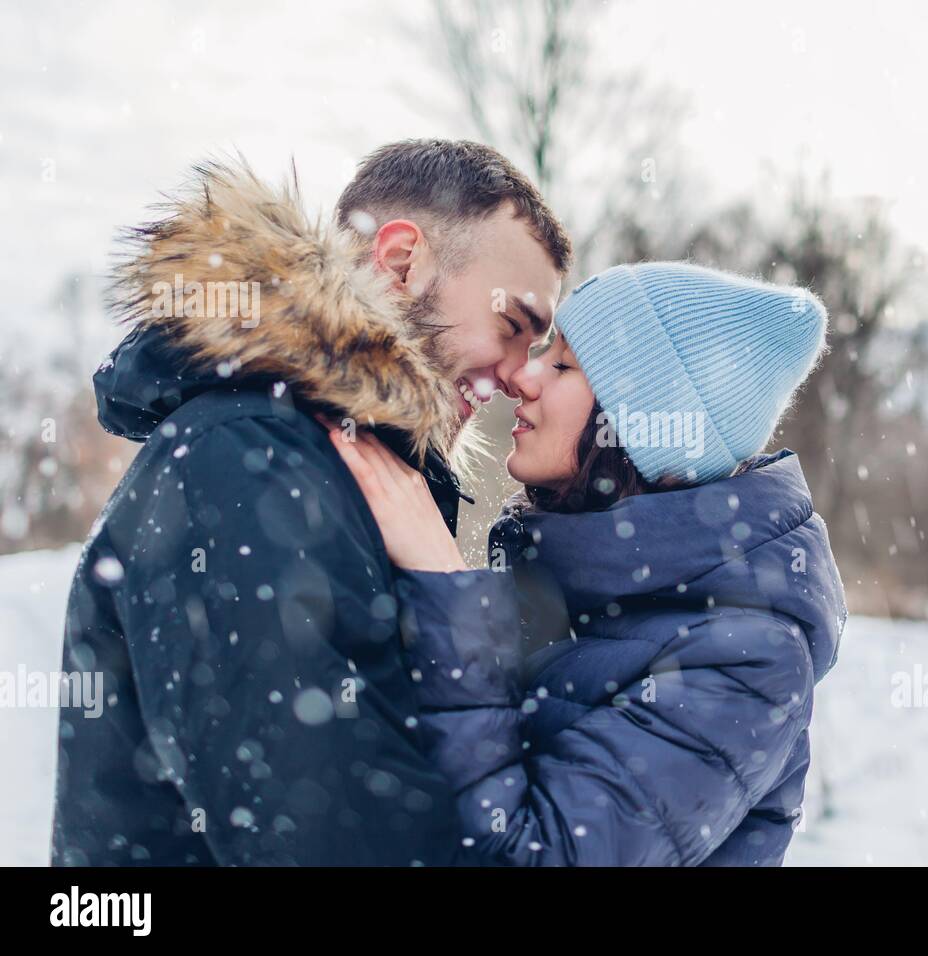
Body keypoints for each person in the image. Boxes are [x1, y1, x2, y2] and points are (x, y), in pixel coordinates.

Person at [51, 140, 572, 865]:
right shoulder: (245, 461)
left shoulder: (333, 464)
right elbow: (332, 840)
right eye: (513, 328)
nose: (520, 378)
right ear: (398, 262)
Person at [328, 262, 847, 865]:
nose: (523, 376)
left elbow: (532, 855)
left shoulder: (751, 661)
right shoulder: (570, 589)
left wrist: (447, 591)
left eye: (565, 365)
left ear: (640, 431)